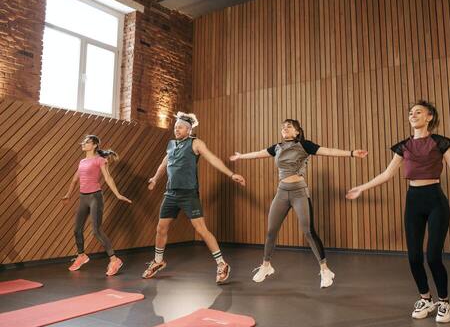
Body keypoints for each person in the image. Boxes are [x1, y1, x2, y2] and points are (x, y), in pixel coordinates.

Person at [346, 100, 450, 323]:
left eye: (418, 112)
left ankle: (444, 302)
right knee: (414, 257)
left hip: (435, 199)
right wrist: (362, 187)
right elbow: (386, 174)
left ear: (429, 117)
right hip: (413, 201)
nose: (413, 115)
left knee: (434, 256)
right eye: (410, 113)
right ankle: (426, 298)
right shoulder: (403, 146)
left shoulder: (440, 142)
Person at [231, 119, 367, 288]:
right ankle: (266, 266)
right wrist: (241, 156)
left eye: (289, 126)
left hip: (299, 192)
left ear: (297, 132)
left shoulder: (305, 145)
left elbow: (329, 151)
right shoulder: (277, 148)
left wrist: (352, 153)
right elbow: (259, 153)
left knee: (308, 231)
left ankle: (325, 270)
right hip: (281, 192)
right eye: (282, 127)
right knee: (271, 231)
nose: (284, 129)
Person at [143, 112, 246, 284]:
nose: (176, 130)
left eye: (180, 127)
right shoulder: (171, 144)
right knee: (161, 228)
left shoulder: (195, 143)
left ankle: (222, 264)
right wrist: (155, 178)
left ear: (189, 129)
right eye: (175, 127)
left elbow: (212, 159)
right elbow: (163, 164)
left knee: (201, 229)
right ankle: (158, 261)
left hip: (188, 193)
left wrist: (231, 174)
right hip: (170, 193)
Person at [62, 135, 132, 276]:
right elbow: (75, 179)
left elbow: (107, 177)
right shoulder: (82, 161)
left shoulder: (100, 160)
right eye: (84, 142)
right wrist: (68, 194)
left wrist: (117, 194)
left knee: (96, 231)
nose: (83, 143)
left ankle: (114, 260)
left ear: (94, 145)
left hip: (95, 197)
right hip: (83, 197)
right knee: (77, 230)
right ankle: (81, 256)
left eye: (87, 142)